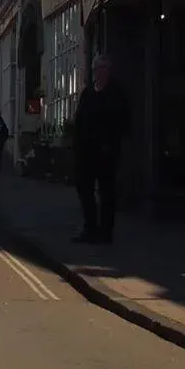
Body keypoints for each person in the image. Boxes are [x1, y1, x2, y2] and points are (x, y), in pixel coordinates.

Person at [73, 54, 128, 244]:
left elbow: (123, 122)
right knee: (84, 189)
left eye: (103, 69)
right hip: (86, 152)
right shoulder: (88, 93)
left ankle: (105, 233)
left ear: (108, 71)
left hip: (106, 152)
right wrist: (77, 145)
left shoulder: (116, 94)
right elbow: (79, 121)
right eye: (96, 69)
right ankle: (90, 228)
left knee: (107, 192)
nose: (99, 73)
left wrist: (110, 144)